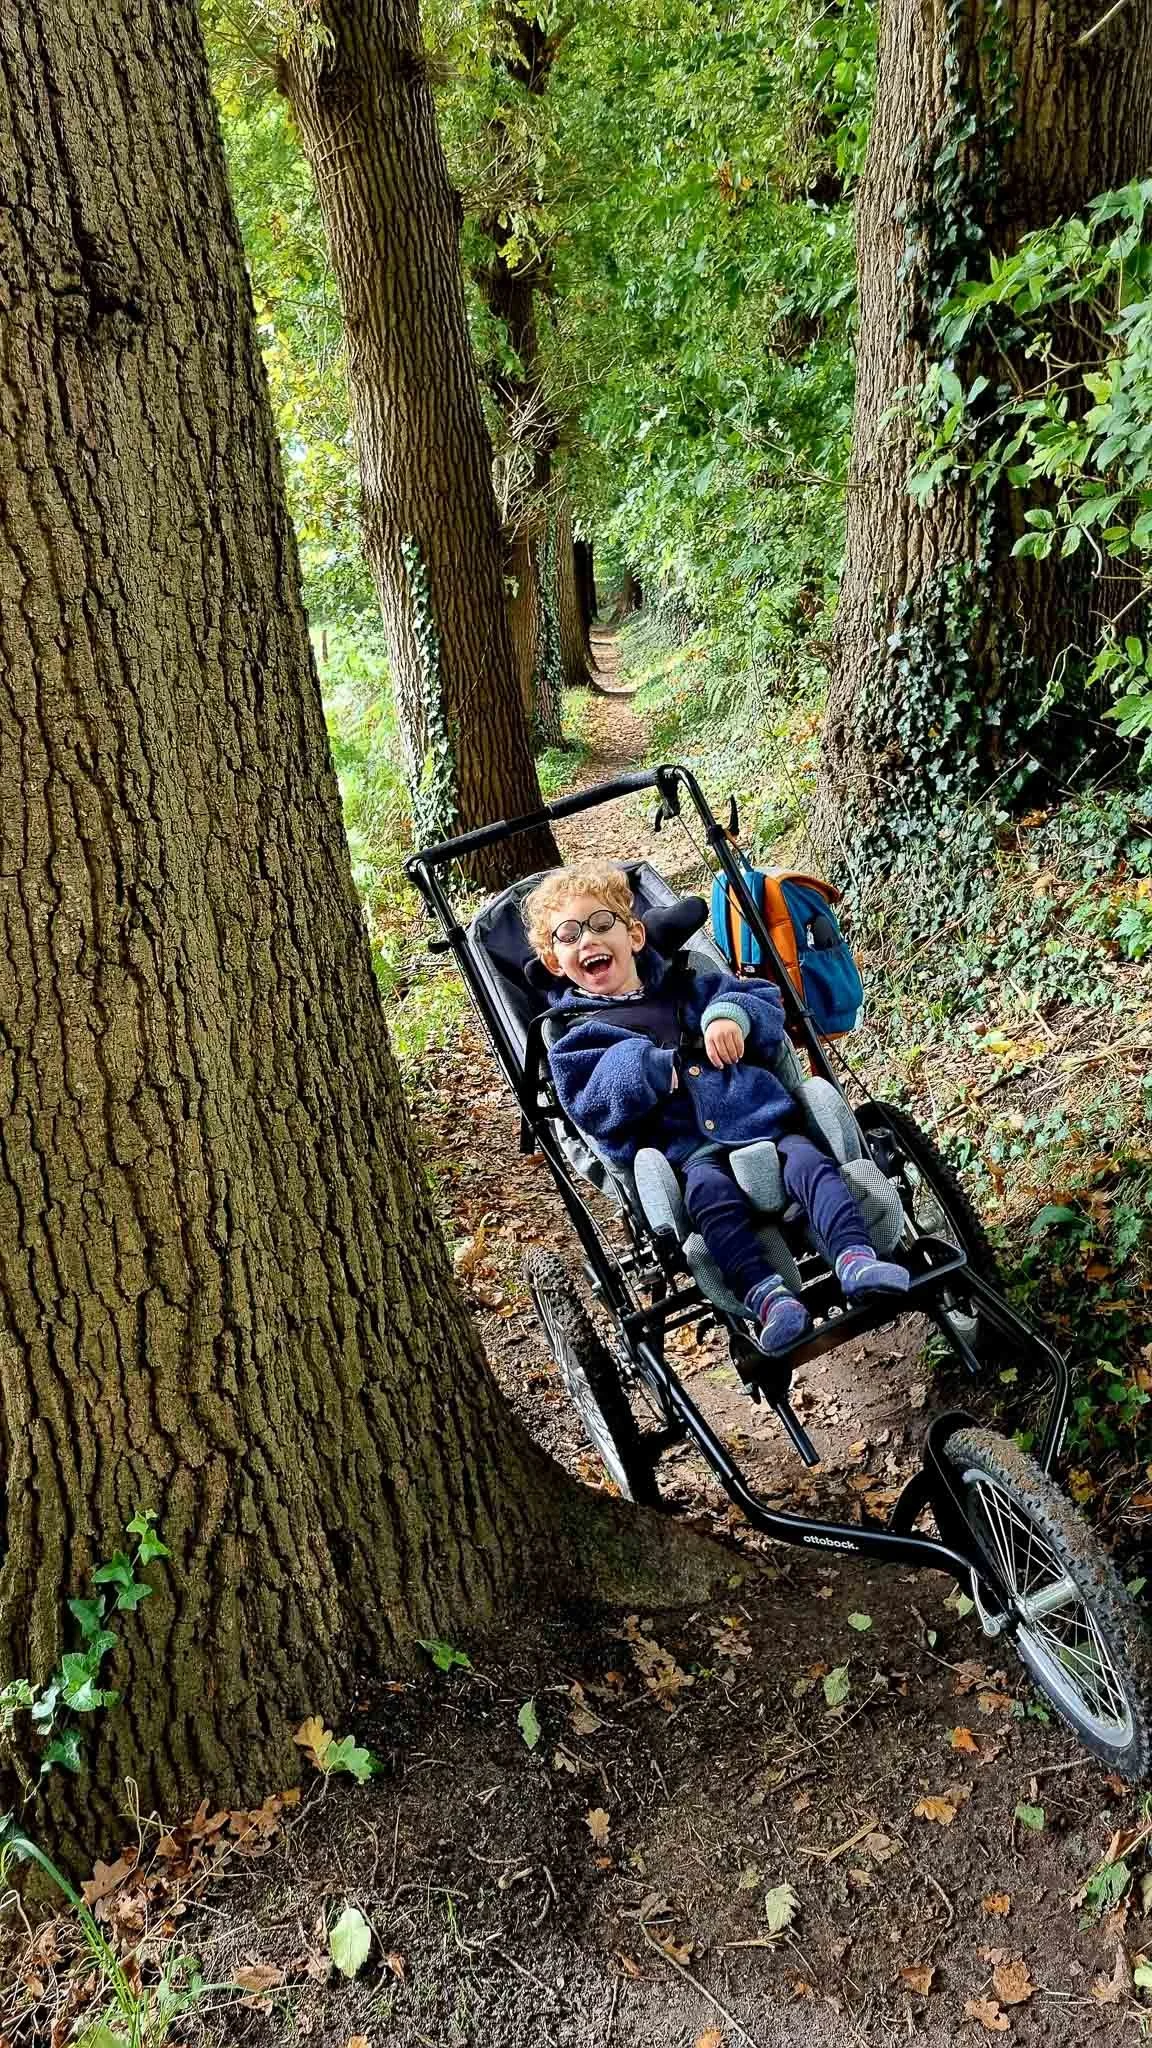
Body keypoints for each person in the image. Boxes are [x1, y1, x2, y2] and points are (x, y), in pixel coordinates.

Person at [523, 860, 908, 1356]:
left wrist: (729, 1018)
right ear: (556, 962)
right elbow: (590, 1101)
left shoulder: (691, 980)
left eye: (602, 925)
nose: (588, 941)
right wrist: (647, 1066)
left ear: (635, 935)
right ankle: (770, 1299)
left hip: (763, 1121)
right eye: (569, 935)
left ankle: (855, 1257)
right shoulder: (575, 1036)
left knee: (815, 1166)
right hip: (689, 1155)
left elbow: (761, 999)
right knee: (711, 1204)